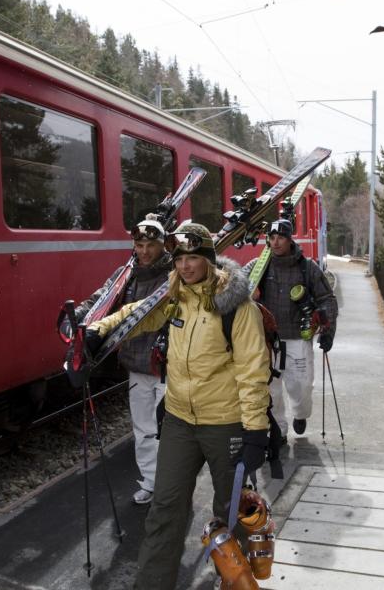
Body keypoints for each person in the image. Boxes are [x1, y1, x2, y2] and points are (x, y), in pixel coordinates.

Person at [86, 222, 271, 589]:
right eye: (180, 259)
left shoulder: (237, 307)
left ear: (208, 260)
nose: (185, 266)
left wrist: (256, 431)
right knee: (164, 511)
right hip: (180, 423)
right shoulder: (173, 298)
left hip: (226, 424)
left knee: (229, 515)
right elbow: (136, 314)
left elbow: (253, 371)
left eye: (193, 258)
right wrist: (99, 329)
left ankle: (236, 583)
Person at [72, 218, 172, 505]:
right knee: (142, 430)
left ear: (162, 244)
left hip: (169, 367)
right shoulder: (125, 274)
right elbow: (101, 298)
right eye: (139, 245)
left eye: (150, 245)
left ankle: (172, 488)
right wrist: (79, 318)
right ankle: (151, 483)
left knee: (169, 433)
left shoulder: (174, 274)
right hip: (136, 365)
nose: (144, 251)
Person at [244, 218, 337, 438]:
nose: (275, 243)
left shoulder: (308, 267)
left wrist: (328, 331)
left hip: (298, 337)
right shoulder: (258, 265)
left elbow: (327, 299)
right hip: (267, 340)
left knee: (302, 388)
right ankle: (278, 432)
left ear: (290, 238)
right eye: (271, 238)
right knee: (270, 390)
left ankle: (300, 414)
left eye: (281, 238)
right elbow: (234, 283)